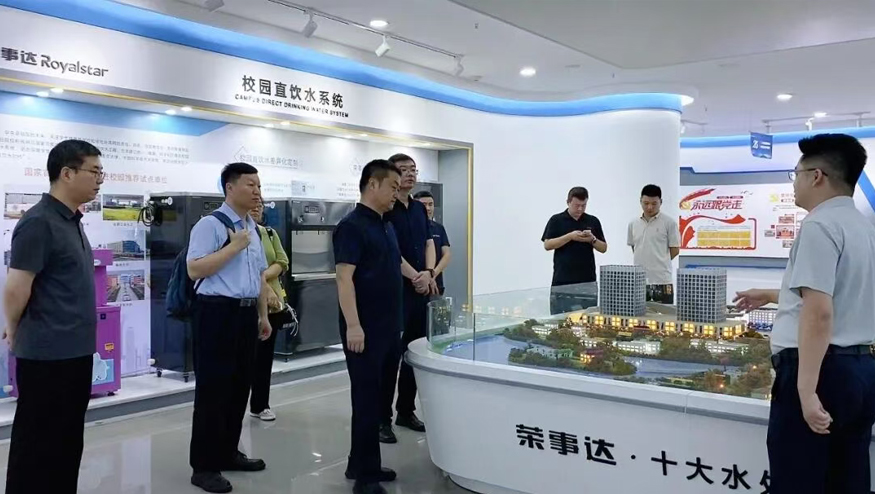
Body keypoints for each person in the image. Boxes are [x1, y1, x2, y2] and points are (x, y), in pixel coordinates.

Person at [734, 133, 875, 494]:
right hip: (861, 369)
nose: (793, 183)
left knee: (798, 480)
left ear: (817, 176)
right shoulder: (864, 227)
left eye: (795, 174)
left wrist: (806, 390)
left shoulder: (818, 226)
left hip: (821, 370)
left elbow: (819, 313)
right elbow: (845, 295)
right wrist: (771, 295)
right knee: (847, 480)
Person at [3, 140, 104, 494]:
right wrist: (13, 329)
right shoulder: (39, 222)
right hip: (47, 357)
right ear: (67, 173)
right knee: (37, 445)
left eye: (101, 172)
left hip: (75, 353)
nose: (99, 180)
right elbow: (16, 288)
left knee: (66, 442)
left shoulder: (72, 220)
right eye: (94, 171)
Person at [186, 162, 273, 493]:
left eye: (259, 185)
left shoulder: (253, 227)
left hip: (246, 314)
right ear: (229, 188)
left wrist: (263, 316)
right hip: (216, 314)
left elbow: (259, 276)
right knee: (213, 391)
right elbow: (195, 269)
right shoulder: (210, 225)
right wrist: (233, 247)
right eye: (250, 184)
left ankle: (227, 452)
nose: (257, 191)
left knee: (239, 388)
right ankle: (204, 466)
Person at [334, 159, 405, 494]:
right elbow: (344, 278)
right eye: (392, 186)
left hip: (388, 327)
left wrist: (421, 276)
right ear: (372, 184)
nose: (396, 193)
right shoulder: (352, 226)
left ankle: (360, 463)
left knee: (377, 400)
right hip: (364, 329)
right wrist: (353, 326)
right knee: (365, 400)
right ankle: (365, 479)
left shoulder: (386, 225)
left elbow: (394, 265)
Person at [381, 153, 436, 443]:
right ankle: (382, 419)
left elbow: (429, 242)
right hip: (396, 289)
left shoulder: (418, 208)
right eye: (403, 170)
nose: (410, 174)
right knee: (390, 356)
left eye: (413, 169)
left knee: (414, 352)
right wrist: (416, 276)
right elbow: (391, 251)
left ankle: (406, 410)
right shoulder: (386, 209)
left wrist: (429, 273)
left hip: (421, 290)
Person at [248, 198, 289, 422]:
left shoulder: (269, 234)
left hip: (272, 308)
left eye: (260, 206)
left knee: (264, 359)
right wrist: (264, 287)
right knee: (244, 359)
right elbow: (245, 267)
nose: (256, 208)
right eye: (252, 205)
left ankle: (260, 404)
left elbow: (282, 261)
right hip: (247, 305)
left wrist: (264, 279)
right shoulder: (238, 234)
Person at [542, 186, 607, 314]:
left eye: (584, 205)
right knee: (561, 320)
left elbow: (603, 248)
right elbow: (547, 245)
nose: (580, 209)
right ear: (568, 202)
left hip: (587, 282)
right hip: (562, 282)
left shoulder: (593, 221)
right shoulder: (556, 220)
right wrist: (570, 236)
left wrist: (592, 239)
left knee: (587, 319)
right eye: (577, 205)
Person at [627, 184, 680, 304]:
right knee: (639, 315)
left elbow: (675, 249)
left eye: (654, 203)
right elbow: (635, 247)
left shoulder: (669, 223)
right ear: (640, 201)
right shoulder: (633, 224)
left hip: (663, 281)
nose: (650, 207)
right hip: (640, 280)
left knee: (665, 315)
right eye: (646, 203)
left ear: (661, 202)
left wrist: (660, 260)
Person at [414, 190, 451, 296]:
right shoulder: (410, 228)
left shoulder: (439, 228)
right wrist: (424, 278)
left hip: (436, 285)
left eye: (430, 204)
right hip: (416, 283)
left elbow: (447, 254)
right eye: (424, 205)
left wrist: (432, 274)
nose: (428, 208)